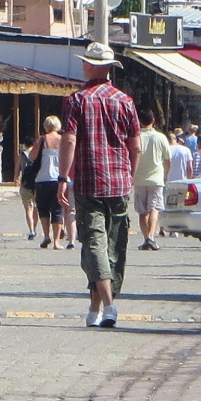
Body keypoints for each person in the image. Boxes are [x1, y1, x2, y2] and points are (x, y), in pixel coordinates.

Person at [57, 42, 142, 327]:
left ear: (92, 66)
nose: (82, 66)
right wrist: (130, 175)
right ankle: (96, 308)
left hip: (88, 180)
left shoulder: (77, 100)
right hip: (119, 182)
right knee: (114, 247)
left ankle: (108, 305)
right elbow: (136, 146)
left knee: (94, 243)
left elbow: (69, 140)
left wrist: (63, 177)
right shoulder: (125, 101)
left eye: (85, 62)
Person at [28, 116, 69, 251]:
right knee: (58, 210)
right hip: (59, 179)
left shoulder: (42, 139)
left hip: (42, 178)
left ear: (45, 126)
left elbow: (32, 157)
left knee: (43, 209)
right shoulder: (63, 139)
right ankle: (57, 242)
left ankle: (46, 236)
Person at [134, 107, 171, 252]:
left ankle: (145, 239)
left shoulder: (137, 137)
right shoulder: (160, 137)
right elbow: (168, 160)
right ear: (153, 120)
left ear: (139, 121)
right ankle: (151, 237)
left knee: (142, 212)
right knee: (154, 209)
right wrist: (166, 174)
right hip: (156, 178)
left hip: (139, 179)